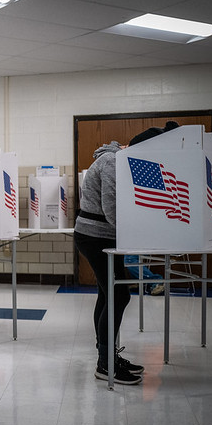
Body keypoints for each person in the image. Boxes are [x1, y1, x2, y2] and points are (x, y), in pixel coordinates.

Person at [74, 140, 144, 385]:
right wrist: (134, 235)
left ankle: (107, 357)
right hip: (95, 236)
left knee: (108, 295)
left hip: (103, 235)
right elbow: (111, 207)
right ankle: (106, 364)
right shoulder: (111, 161)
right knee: (118, 295)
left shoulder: (115, 161)